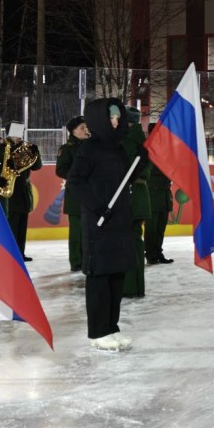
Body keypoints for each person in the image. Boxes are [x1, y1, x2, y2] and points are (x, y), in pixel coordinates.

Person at [68, 98, 147, 351]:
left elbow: (125, 180)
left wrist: (141, 161)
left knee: (116, 276)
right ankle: (98, 331)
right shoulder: (89, 149)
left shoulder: (118, 147)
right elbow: (75, 182)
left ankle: (111, 327)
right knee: (100, 278)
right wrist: (98, 206)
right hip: (100, 223)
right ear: (98, 119)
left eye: (117, 117)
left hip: (120, 220)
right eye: (110, 117)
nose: (115, 122)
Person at [122, 107, 150, 299]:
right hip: (139, 196)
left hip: (129, 195)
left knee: (128, 243)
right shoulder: (144, 140)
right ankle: (136, 285)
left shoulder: (126, 141)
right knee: (135, 241)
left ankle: (129, 286)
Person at [56, 115, 90, 272]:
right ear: (74, 131)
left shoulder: (92, 146)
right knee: (77, 230)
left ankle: (88, 258)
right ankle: (76, 261)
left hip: (91, 193)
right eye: (82, 128)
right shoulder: (67, 149)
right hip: (76, 194)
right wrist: (77, 176)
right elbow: (60, 170)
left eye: (86, 127)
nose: (86, 130)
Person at [5, 124, 43, 262]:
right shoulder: (4, 147)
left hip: (24, 191)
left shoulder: (26, 148)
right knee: (13, 224)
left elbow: (37, 167)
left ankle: (20, 253)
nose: (19, 136)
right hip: (11, 191)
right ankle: (11, 253)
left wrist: (35, 154)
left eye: (21, 132)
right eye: (16, 132)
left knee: (22, 225)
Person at [144, 122, 174, 265]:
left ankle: (158, 252)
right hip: (152, 194)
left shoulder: (165, 151)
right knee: (152, 227)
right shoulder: (147, 151)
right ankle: (150, 253)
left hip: (164, 194)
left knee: (160, 227)